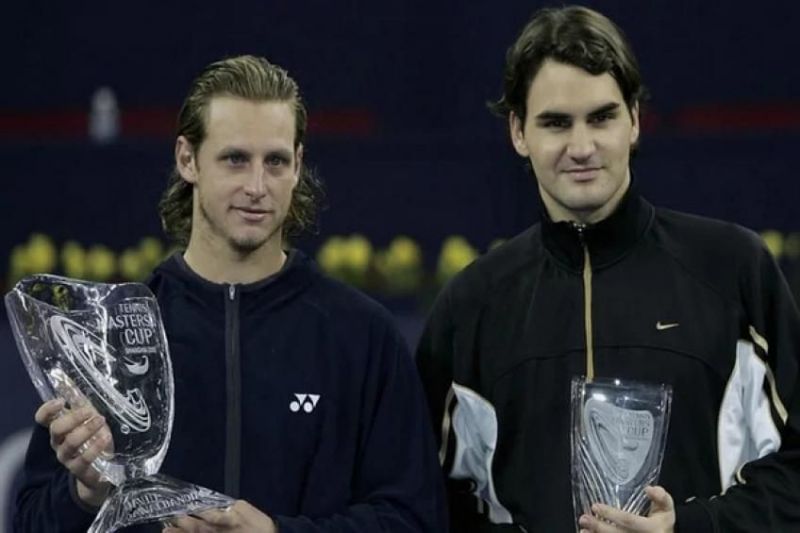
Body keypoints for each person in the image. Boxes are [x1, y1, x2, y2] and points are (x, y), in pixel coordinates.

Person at [15, 55, 447, 532]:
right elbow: (30, 522)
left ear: (299, 165)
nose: (257, 186)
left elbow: (415, 519)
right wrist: (86, 493)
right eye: (235, 159)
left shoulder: (363, 337)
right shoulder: (107, 338)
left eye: (276, 161)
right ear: (187, 159)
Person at [416, 6, 800, 532]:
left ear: (635, 122)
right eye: (556, 123)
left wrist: (691, 527)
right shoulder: (471, 306)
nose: (582, 148)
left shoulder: (733, 269)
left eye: (602, 117)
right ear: (518, 132)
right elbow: (425, 496)